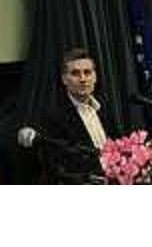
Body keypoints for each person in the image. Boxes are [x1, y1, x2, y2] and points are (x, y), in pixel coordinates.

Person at [39, 47, 118, 183]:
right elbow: (59, 168)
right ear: (64, 79)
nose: (83, 79)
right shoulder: (54, 117)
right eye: (75, 73)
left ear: (95, 77)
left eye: (87, 72)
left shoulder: (104, 107)